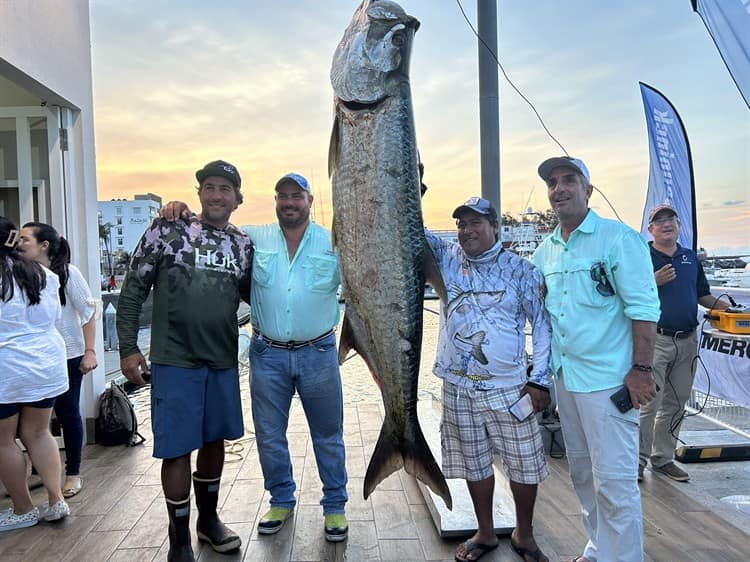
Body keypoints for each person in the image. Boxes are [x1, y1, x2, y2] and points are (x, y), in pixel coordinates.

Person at [160, 172, 348, 542]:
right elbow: (216, 225)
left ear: (309, 201)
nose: (289, 202)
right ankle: (281, 498)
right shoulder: (252, 239)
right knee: (269, 434)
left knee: (328, 434)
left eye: (297, 196)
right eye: (282, 196)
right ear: (275, 201)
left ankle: (335, 506)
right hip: (268, 353)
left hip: (319, 352)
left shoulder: (334, 243)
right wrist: (180, 211)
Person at [117, 160, 253, 561]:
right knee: (176, 449)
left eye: (224, 189)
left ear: (237, 199)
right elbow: (133, 288)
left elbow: (255, 295)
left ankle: (207, 522)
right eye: (209, 187)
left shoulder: (242, 245)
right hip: (175, 361)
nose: (216, 195)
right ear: (199, 194)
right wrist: (127, 346)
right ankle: (178, 541)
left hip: (222, 360)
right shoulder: (168, 229)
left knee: (215, 442)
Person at [532, 156, 660, 562]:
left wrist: (641, 370)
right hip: (566, 379)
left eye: (570, 180)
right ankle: (598, 547)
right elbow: (541, 315)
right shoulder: (545, 251)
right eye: (553, 182)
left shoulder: (619, 239)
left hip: (610, 382)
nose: (560, 189)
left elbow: (643, 309)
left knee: (616, 483)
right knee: (584, 475)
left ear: (588, 190)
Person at [425, 197, 552, 562]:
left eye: (476, 223)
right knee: (473, 462)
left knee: (525, 464)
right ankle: (485, 531)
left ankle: (524, 534)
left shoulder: (522, 271)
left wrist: (540, 380)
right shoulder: (447, 259)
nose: (467, 230)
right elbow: (412, 230)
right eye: (462, 224)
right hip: (458, 387)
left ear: (495, 226)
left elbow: (543, 326)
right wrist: (413, 185)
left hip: (508, 387)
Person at [638, 205, 729, 483]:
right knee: (647, 404)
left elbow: (702, 294)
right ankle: (636, 462)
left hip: (688, 340)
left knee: (676, 403)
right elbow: (628, 293)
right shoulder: (642, 256)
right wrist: (653, 281)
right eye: (659, 221)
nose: (666, 224)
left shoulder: (690, 257)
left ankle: (663, 458)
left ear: (678, 225)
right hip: (655, 339)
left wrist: (729, 310)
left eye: (671, 220)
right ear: (651, 229)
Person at [17, 222, 98, 499]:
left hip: (68, 356)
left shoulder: (67, 274)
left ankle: (73, 472)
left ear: (44, 246)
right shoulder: (21, 275)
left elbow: (88, 314)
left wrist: (90, 351)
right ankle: (43, 470)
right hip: (32, 358)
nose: (18, 243)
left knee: (68, 414)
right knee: (33, 421)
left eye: (25, 239)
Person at [0, 217, 70, 530]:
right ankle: (57, 500)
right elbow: (53, 315)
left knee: (3, 441)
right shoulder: (44, 273)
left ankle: (23, 509)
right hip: (45, 363)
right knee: (39, 433)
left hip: (7, 366)